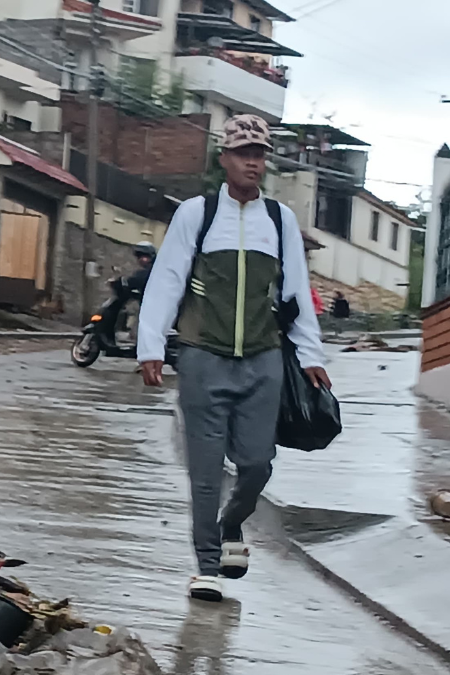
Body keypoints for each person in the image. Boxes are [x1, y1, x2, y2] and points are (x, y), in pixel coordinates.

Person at [136, 114, 330, 603]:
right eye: (243, 152)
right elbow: (166, 281)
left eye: (259, 153)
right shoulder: (196, 215)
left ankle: (231, 524)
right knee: (205, 473)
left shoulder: (279, 219)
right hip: (203, 358)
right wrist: (151, 344)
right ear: (223, 159)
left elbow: (296, 292)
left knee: (257, 464)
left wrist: (310, 353)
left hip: (263, 361)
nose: (252, 161)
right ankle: (207, 568)